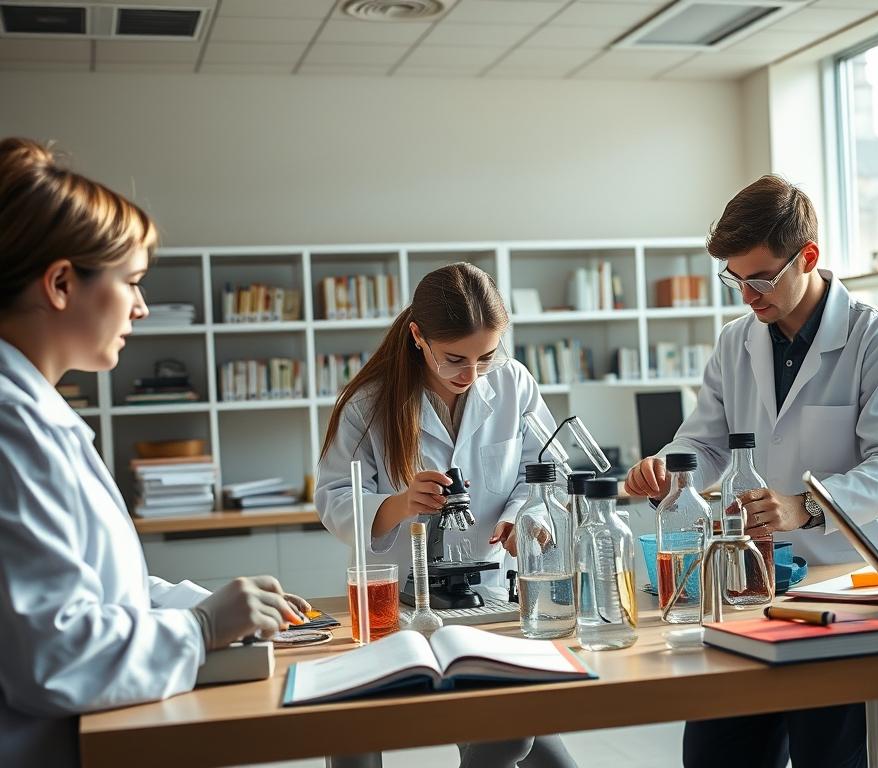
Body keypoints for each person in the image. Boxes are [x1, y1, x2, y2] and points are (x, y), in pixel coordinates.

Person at [0, 137, 308, 768]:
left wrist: (211, 604)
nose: (141, 307)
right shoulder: (12, 426)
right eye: (132, 283)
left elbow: (100, 591)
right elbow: (54, 656)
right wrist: (201, 629)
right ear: (61, 283)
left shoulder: (34, 414)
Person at [624, 175, 878, 768]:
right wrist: (670, 466)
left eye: (760, 278)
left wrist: (805, 505)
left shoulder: (876, 338)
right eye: (735, 279)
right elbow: (705, 441)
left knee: (829, 754)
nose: (747, 295)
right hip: (753, 586)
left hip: (846, 586)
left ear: (807, 257)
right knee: (717, 753)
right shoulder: (736, 342)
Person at [315, 262, 574, 768]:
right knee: (359, 743)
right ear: (418, 336)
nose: (470, 376)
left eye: (485, 357)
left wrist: (525, 516)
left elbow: (545, 470)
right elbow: (332, 499)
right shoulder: (368, 404)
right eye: (455, 358)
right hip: (400, 605)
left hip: (489, 594)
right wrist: (399, 504)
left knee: (529, 750)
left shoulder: (513, 383)